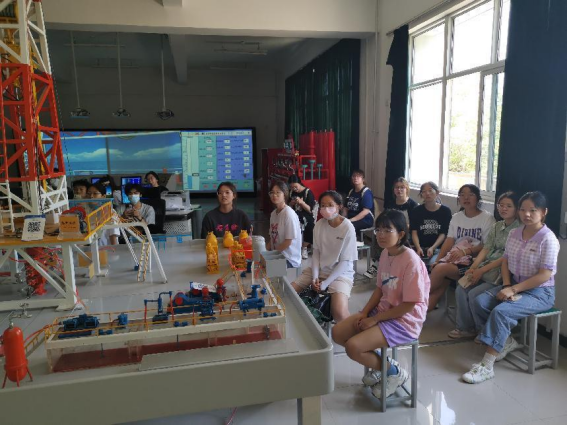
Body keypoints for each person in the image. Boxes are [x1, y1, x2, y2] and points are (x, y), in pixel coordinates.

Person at [462, 192, 559, 384]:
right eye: (523, 210)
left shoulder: (548, 239)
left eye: (533, 210)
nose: (527, 214)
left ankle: (486, 366)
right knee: (479, 301)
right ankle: (505, 341)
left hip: (540, 292)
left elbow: (544, 275)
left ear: (544, 212)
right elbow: (505, 261)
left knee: (502, 311)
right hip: (514, 284)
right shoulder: (515, 233)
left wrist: (513, 290)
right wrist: (507, 285)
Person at [332, 209, 430, 399]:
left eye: (387, 230)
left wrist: (375, 319)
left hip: (405, 320)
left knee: (353, 347)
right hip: (384, 311)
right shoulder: (386, 253)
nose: (381, 235)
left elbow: (409, 305)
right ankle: (382, 364)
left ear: (401, 234)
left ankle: (393, 372)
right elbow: (379, 289)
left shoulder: (411, 261)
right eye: (378, 230)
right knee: (338, 332)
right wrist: (364, 313)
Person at [449, 192, 520, 340]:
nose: (504, 209)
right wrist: (473, 268)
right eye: (501, 205)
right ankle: (465, 328)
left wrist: (480, 270)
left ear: (516, 209)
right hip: (485, 267)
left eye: (508, 206)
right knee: (461, 288)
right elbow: (486, 249)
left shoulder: (520, 229)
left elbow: (505, 258)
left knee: (474, 294)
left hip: (501, 273)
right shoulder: (497, 226)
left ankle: (484, 331)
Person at [292, 191, 358, 322]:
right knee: (290, 292)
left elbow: (345, 262)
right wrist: (315, 277)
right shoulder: (319, 224)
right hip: (319, 269)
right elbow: (316, 253)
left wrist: (326, 283)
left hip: (341, 274)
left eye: (330, 205)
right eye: (323, 205)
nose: (326, 209)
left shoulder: (347, 227)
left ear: (339, 206)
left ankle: (350, 332)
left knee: (340, 313)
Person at [428, 184, 495, 311]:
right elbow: (449, 241)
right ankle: (413, 314)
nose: (466, 198)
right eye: (462, 195)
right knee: (438, 289)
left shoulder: (487, 219)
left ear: (478, 198)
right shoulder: (456, 217)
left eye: (471, 195)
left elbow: (487, 246)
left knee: (439, 270)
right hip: (454, 259)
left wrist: (465, 252)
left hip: (474, 262)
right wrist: (438, 259)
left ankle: (414, 298)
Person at [410, 182, 453, 261]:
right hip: (419, 247)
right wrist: (418, 247)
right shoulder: (416, 211)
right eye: (424, 191)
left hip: (438, 249)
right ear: (421, 194)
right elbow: (414, 232)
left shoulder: (445, 211)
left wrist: (433, 248)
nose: (427, 193)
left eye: (430, 190)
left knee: (432, 264)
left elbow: (443, 233)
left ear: (437, 192)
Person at [267, 181, 302, 269]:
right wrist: (264, 252)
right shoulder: (273, 214)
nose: (274, 195)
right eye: (272, 192)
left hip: (289, 259)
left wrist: (271, 255)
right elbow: (272, 238)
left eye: (278, 192)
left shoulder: (288, 214)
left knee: (267, 269)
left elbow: (288, 242)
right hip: (278, 255)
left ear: (285, 194)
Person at [288, 175, 316, 260]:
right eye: (291, 187)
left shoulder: (308, 192)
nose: (294, 188)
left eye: (295, 186)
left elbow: (310, 210)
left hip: (306, 214)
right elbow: (288, 206)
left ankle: (304, 247)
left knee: (309, 225)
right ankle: (291, 246)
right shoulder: (291, 192)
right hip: (294, 214)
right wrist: (291, 203)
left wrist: (301, 203)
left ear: (299, 183)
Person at [344, 169, 375, 236]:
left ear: (363, 179)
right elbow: (345, 208)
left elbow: (365, 211)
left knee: (347, 227)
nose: (356, 178)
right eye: (354, 176)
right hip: (351, 218)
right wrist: (344, 218)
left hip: (365, 219)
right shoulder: (351, 191)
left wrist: (351, 220)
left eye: (358, 176)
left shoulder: (366, 192)